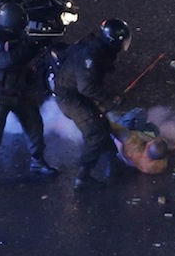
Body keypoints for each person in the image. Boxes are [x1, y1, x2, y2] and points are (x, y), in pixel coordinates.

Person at [0, 2, 58, 193]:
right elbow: (9, 61)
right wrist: (33, 46)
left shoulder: (15, 35)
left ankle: (37, 162)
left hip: (19, 90)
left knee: (34, 125)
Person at [53, 19, 132, 190]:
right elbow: (87, 86)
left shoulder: (97, 47)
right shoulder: (90, 55)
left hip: (74, 93)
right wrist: (109, 99)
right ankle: (83, 177)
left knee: (103, 124)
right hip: (70, 98)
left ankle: (113, 165)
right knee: (95, 134)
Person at [108, 108, 169, 175]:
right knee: (154, 128)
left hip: (120, 143)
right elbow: (161, 152)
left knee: (140, 113)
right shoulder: (158, 165)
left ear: (148, 145)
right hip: (129, 162)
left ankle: (113, 116)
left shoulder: (134, 143)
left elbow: (116, 129)